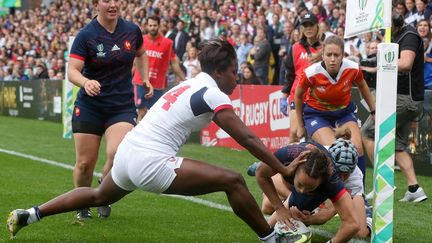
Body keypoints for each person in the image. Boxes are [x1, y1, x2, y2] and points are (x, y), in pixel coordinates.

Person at [7, 39, 294, 243]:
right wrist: (283, 169)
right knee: (232, 180)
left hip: (128, 152)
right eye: (234, 71)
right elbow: (245, 136)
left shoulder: (190, 83)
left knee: (98, 196)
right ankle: (271, 239)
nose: (236, 78)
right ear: (220, 72)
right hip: (150, 160)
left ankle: (31, 214)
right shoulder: (212, 92)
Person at [65, 0, 153, 220]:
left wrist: (145, 78)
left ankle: (104, 192)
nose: (113, 4)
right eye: (106, 1)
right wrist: (85, 82)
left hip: (121, 106)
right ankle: (82, 202)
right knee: (85, 164)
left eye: (116, 0)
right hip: (90, 106)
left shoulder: (132, 30)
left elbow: (141, 54)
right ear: (96, 5)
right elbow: (72, 71)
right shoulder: (86, 35)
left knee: (117, 154)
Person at [362, 13, 428, 202]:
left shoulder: (409, 35)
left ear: (395, 21)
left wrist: (377, 68)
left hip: (403, 99)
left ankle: (382, 183)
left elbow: (406, 63)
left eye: (386, 25)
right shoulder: (397, 35)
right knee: (398, 144)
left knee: (367, 132)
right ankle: (414, 189)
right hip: (407, 100)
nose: (383, 30)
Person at [295, 35, 375, 183]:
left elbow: (363, 85)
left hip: (344, 113)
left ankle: (360, 196)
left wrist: (373, 110)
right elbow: (298, 96)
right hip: (317, 115)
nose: (332, 59)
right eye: (329, 55)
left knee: (357, 149)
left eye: (336, 55)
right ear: (323, 54)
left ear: (342, 55)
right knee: (334, 150)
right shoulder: (311, 73)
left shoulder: (352, 69)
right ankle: (335, 196)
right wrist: (300, 126)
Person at [256, 137, 360, 242]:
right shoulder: (286, 155)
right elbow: (260, 174)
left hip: (318, 182)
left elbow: (352, 224)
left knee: (274, 224)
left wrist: (309, 219)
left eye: (309, 187)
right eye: (300, 184)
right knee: (270, 215)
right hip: (287, 168)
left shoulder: (331, 181)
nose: (301, 190)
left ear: (321, 182)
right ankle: (271, 170)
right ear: (296, 167)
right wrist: (279, 208)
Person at [133, 15, 185, 121]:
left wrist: (184, 79)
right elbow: (134, 62)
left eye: (155, 25)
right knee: (141, 112)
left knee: (154, 114)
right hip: (140, 82)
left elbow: (174, 63)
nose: (152, 28)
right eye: (150, 25)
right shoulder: (140, 40)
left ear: (159, 26)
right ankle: (139, 135)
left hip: (157, 84)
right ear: (147, 26)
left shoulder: (168, 43)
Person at [281, 13, 322, 144]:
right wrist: (284, 94)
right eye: (305, 26)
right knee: (294, 133)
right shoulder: (295, 48)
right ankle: (290, 163)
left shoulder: (325, 48)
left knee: (314, 135)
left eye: (311, 25)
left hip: (317, 96)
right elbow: (290, 73)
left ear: (317, 27)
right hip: (297, 94)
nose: (308, 28)